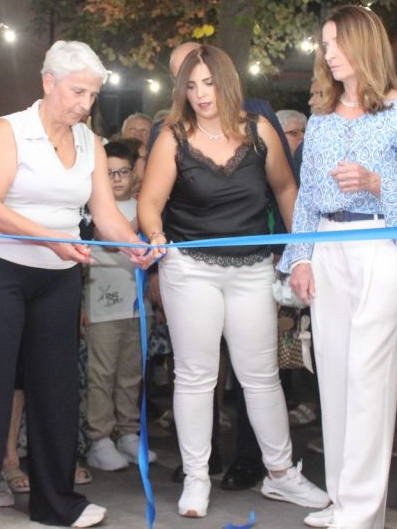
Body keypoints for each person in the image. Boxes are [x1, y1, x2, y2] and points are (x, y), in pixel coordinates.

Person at [0, 41, 155, 529]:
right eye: (78, 91)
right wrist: (51, 238)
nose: (85, 104)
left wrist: (134, 245)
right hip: (1, 270)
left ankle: (56, 504)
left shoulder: (91, 142)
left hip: (59, 276)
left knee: (57, 391)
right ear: (48, 82)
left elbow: (104, 214)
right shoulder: (10, 129)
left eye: (93, 95)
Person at [138, 44, 328, 519]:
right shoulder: (173, 136)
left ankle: (280, 474)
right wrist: (156, 236)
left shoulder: (259, 129)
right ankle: (196, 477)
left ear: (227, 81)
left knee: (261, 376)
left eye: (208, 82)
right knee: (195, 377)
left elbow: (286, 189)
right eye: (191, 86)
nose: (201, 94)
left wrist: (298, 253)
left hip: (252, 268)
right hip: (188, 268)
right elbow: (149, 201)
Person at [282, 5, 397, 529]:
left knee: (369, 376)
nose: (327, 54)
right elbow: (306, 197)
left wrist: (375, 183)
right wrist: (301, 257)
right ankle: (341, 500)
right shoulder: (321, 118)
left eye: (336, 43)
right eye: (324, 45)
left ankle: (363, 511)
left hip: (383, 243)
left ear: (363, 44)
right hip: (327, 244)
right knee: (333, 373)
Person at [83, 142, 155, 471]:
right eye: (109, 173)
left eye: (122, 172)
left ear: (133, 173)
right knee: (101, 374)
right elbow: (100, 244)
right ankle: (99, 438)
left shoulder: (142, 206)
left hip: (138, 306)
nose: (116, 179)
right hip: (101, 306)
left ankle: (128, 433)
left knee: (131, 373)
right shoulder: (93, 209)